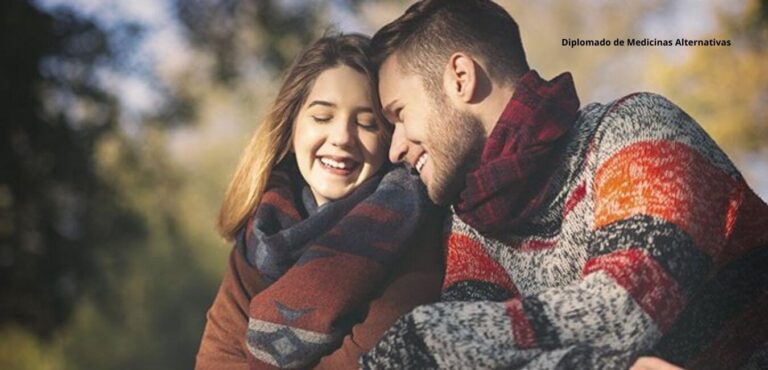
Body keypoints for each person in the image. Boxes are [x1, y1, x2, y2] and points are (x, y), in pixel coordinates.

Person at [360, 1, 768, 369]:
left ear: (461, 78)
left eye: (399, 113)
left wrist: (425, 335)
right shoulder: (473, 220)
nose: (394, 148)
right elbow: (471, 357)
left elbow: (624, 309)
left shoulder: (636, 129)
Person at [195, 33, 445, 370]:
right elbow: (217, 357)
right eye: (322, 117)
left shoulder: (416, 226)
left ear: (389, 136)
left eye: (367, 123)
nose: (342, 137)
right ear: (292, 126)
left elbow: (370, 358)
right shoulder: (261, 230)